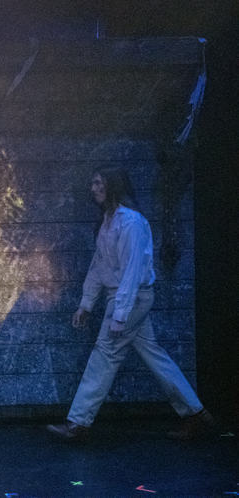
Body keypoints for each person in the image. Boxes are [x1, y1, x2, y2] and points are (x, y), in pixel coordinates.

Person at [47, 165, 213, 441]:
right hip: (124, 297)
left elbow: (132, 273)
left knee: (104, 355)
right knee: (154, 355)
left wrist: (120, 315)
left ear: (113, 185)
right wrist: (86, 304)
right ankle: (196, 414)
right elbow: (99, 266)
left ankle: (78, 423)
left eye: (99, 183)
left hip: (130, 297)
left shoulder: (131, 223)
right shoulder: (108, 222)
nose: (93, 188)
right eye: (93, 183)